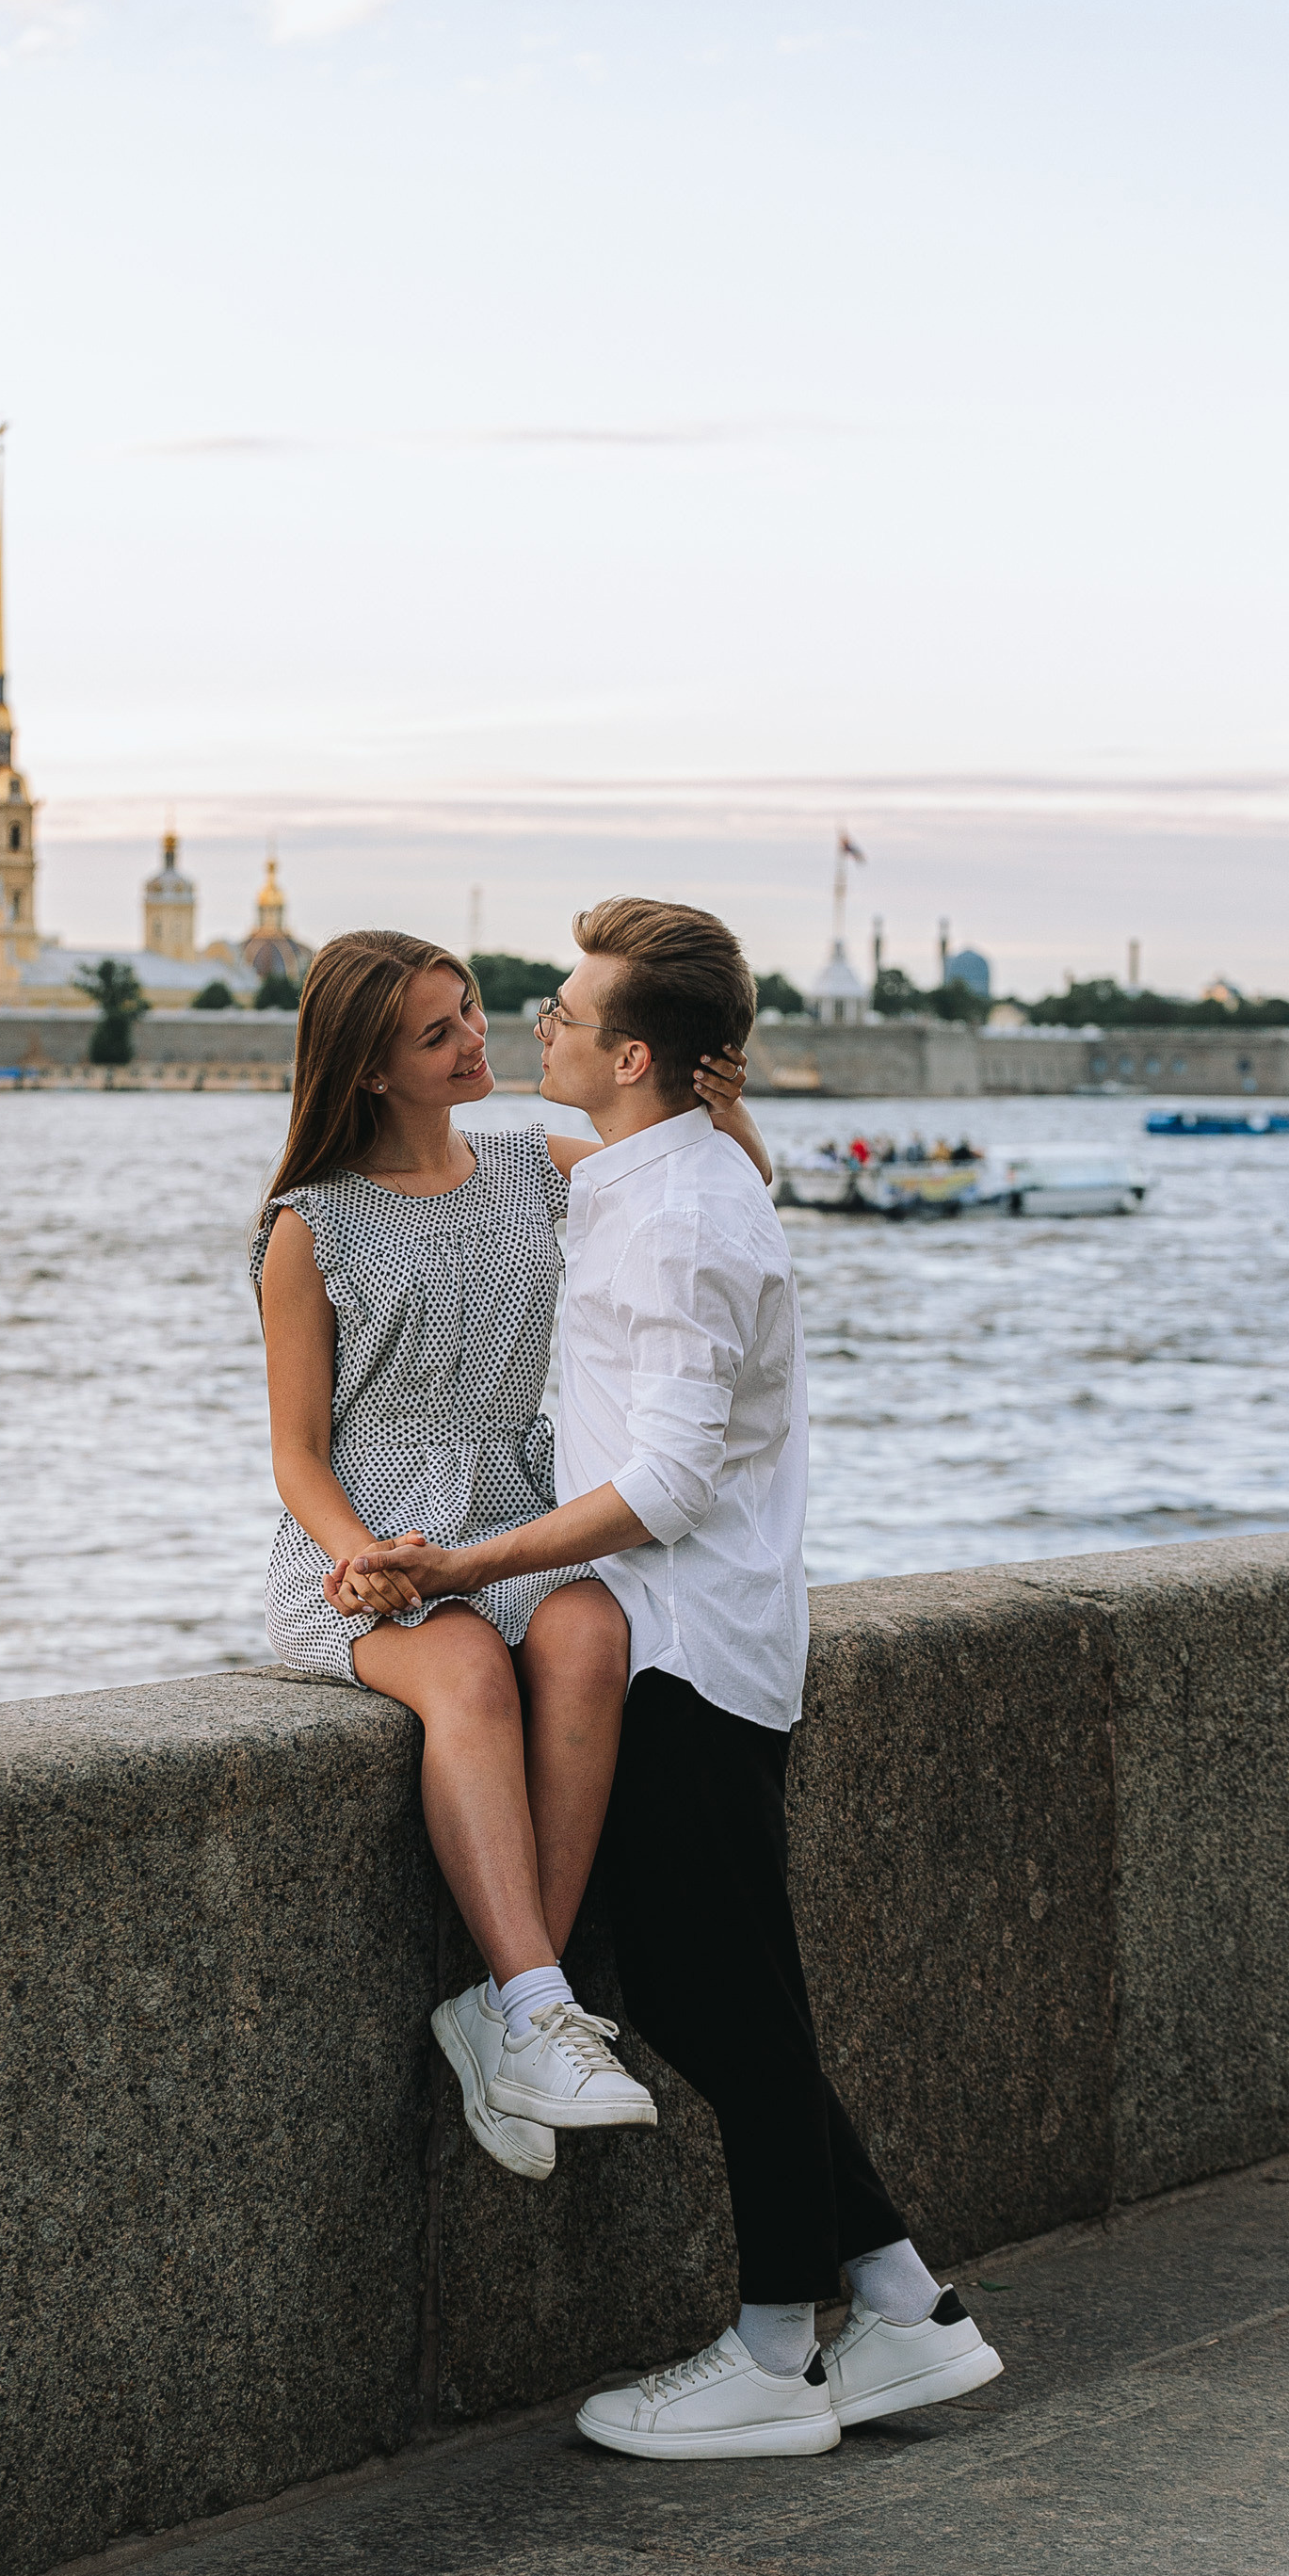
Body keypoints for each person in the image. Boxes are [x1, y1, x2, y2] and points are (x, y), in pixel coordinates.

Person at [344, 897, 1004, 2460]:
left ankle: (778, 2353)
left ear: (633, 1056)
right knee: (730, 1991)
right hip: (685, 1638)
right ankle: (907, 2308)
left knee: (721, 2006)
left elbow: (676, 1483)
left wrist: (463, 1568)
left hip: (686, 1645)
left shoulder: (680, 1216)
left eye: (569, 1011)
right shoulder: (665, 1175)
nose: (543, 1024)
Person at [252, 926, 768, 2182]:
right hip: (368, 1538)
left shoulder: (536, 1166)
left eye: (472, 1011)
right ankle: (540, 2003)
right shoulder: (308, 1227)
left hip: (511, 1504)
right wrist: (363, 1554)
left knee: (593, 1632)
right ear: (371, 1070)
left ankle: (504, 2006)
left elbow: (695, 1195)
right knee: (469, 1671)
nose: (477, 1039)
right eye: (439, 1034)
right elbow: (297, 1453)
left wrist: (733, 1114)